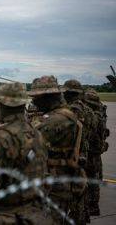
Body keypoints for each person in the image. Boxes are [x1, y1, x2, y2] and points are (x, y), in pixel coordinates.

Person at [0, 82, 52, 225]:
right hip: (34, 215)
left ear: (2, 106)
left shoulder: (2, 137)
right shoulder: (36, 133)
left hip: (8, 216)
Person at [28, 76, 86, 224]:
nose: (33, 102)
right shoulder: (62, 114)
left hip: (54, 188)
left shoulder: (57, 120)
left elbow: (27, 145)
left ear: (49, 97)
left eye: (36, 98)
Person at [62, 79, 94, 223]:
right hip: (85, 152)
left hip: (73, 155)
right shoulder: (88, 110)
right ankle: (83, 215)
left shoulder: (71, 111)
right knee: (82, 188)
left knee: (71, 194)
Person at [84, 88, 109, 216]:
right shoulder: (100, 113)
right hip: (96, 151)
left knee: (91, 178)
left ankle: (92, 206)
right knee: (95, 177)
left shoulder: (94, 116)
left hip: (91, 151)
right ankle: (94, 205)